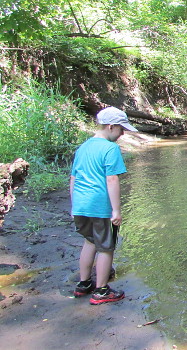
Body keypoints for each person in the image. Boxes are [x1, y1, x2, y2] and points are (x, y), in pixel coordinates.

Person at [70, 106, 137, 305]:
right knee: (106, 247)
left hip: (80, 205)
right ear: (110, 126)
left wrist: (74, 205)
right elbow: (112, 180)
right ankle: (101, 290)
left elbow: (73, 179)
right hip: (100, 206)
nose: (123, 133)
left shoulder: (83, 147)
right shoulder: (110, 149)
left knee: (90, 242)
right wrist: (116, 209)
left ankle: (83, 284)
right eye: (121, 129)